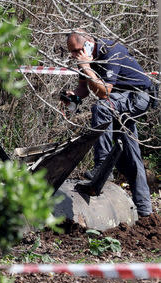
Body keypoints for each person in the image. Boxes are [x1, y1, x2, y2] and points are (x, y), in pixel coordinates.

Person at [65, 29, 153, 217]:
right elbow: (83, 88)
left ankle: (103, 165)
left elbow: (104, 93)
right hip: (119, 101)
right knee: (131, 154)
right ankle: (146, 211)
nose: (74, 56)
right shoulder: (85, 58)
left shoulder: (111, 51)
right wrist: (73, 98)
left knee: (102, 107)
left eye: (76, 50)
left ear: (89, 43)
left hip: (138, 96)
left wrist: (87, 66)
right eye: (71, 52)